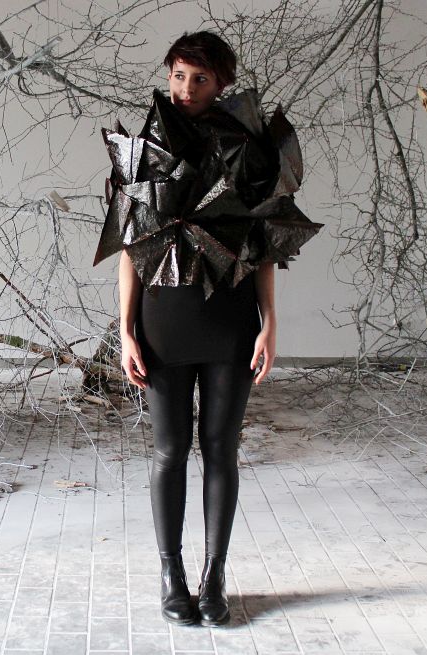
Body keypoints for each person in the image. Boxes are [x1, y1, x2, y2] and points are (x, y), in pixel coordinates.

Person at [94, 30, 322, 627]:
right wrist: (126, 331)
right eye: (177, 75)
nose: (186, 88)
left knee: (221, 450)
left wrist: (270, 323)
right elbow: (130, 249)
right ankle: (171, 576)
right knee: (170, 451)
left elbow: (262, 245)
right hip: (163, 323)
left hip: (230, 321)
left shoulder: (250, 148)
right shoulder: (143, 150)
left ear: (222, 83)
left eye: (199, 78)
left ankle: (214, 577)